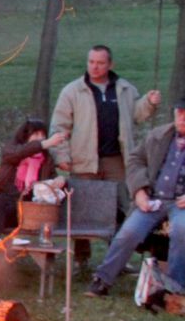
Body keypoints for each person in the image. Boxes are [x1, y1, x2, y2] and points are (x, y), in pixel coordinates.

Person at [84, 94, 185, 297]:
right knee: (129, 231)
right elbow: (135, 160)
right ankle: (102, 280)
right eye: (179, 113)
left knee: (182, 230)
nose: (182, 119)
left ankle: (175, 289)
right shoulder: (158, 135)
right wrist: (139, 191)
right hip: (155, 199)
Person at [49, 44, 161, 261]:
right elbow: (59, 126)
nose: (95, 67)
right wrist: (61, 155)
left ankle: (116, 259)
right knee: (80, 209)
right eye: (91, 62)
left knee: (119, 208)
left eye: (100, 63)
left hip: (117, 160)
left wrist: (149, 102)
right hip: (83, 160)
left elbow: (135, 115)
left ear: (110, 64)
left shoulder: (125, 89)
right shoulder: (72, 91)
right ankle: (81, 259)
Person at [0, 118, 68, 234]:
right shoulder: (12, 150)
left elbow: (51, 183)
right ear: (25, 136)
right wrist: (44, 144)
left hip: (30, 210)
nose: (40, 138)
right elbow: (19, 152)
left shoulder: (46, 159)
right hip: (5, 205)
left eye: (43, 135)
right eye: (36, 134)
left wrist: (60, 179)